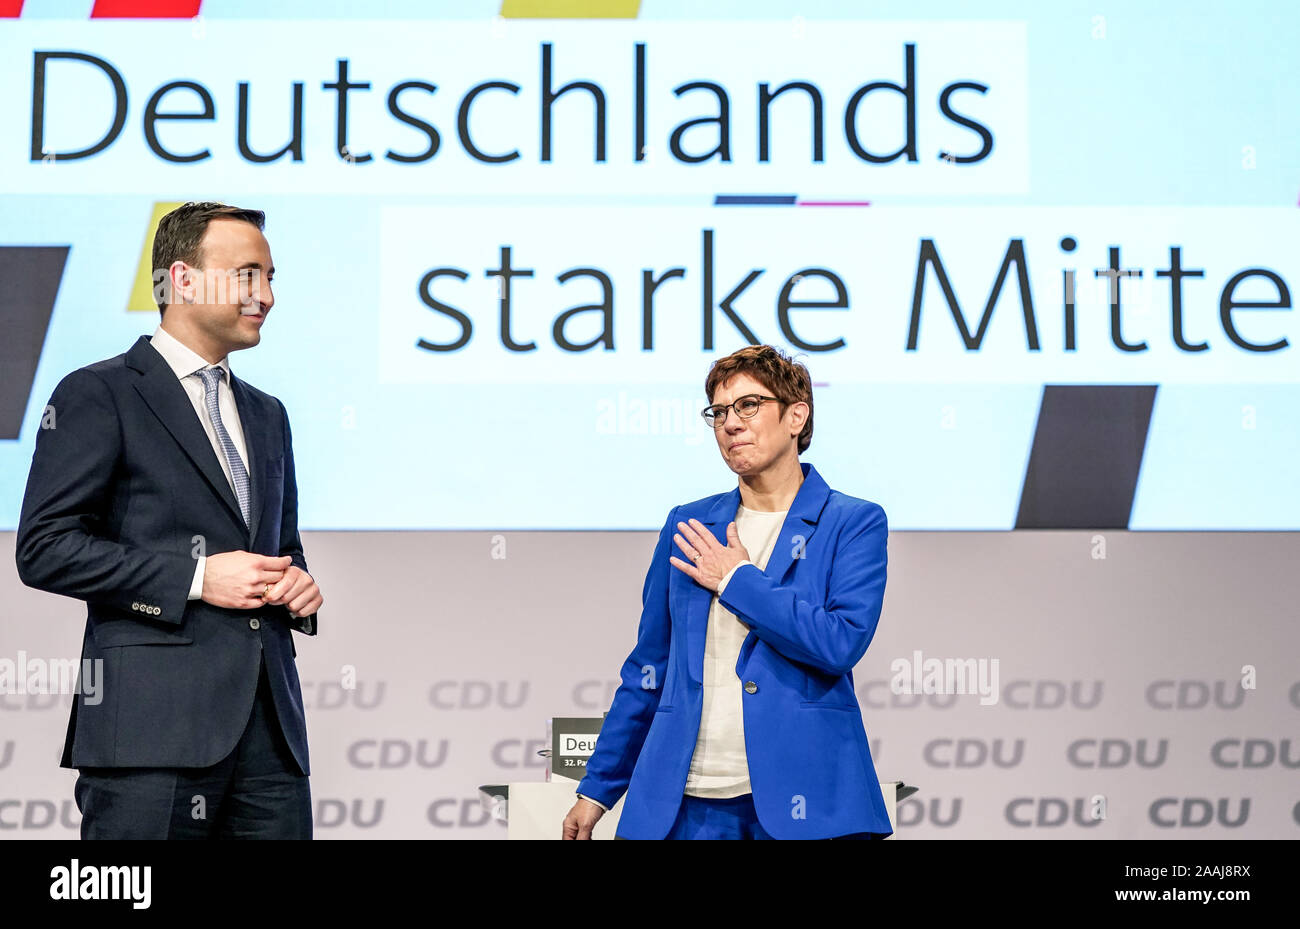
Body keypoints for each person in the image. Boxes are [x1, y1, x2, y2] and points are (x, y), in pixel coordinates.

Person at [15, 201, 323, 839]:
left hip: (271, 743)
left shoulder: (269, 415)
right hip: (151, 739)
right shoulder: (99, 393)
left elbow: (281, 547)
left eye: (270, 278)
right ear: (180, 280)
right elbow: (45, 547)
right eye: (247, 275)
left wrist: (298, 588)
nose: (265, 296)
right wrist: (197, 577)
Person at [563, 345, 891, 840]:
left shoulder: (853, 522)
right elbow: (650, 667)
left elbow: (838, 643)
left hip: (801, 802)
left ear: (796, 415)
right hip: (683, 806)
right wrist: (597, 789)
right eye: (718, 412)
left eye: (748, 406)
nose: (730, 424)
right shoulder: (690, 524)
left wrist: (737, 580)